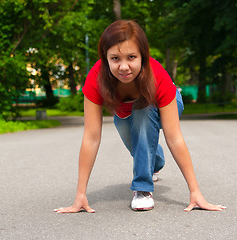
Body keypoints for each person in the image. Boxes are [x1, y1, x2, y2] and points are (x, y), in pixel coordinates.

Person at [54, 20, 226, 213]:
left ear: (143, 56)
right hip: (126, 114)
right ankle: (156, 163)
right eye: (115, 59)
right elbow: (91, 137)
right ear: (105, 58)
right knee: (139, 145)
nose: (124, 66)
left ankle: (142, 189)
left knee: (142, 112)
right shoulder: (97, 78)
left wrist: (195, 192)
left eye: (131, 57)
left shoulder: (156, 75)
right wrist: (80, 196)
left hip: (167, 104)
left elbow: (174, 137)